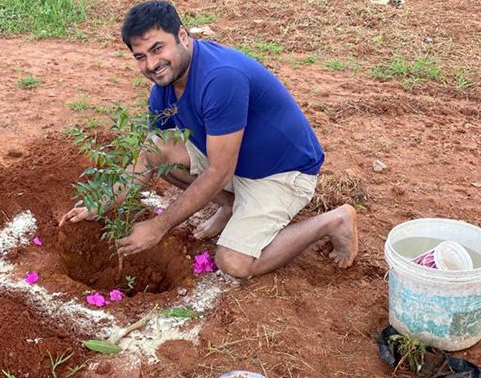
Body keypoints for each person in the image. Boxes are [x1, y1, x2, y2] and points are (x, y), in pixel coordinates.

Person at [59, 1, 358, 279]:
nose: (151, 64)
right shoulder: (163, 89)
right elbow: (145, 159)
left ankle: (334, 221)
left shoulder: (220, 78)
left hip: (280, 173)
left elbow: (219, 171)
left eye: (157, 49)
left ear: (182, 36)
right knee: (157, 149)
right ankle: (230, 205)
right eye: (140, 56)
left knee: (234, 262)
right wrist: (102, 202)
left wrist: (159, 226)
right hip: (235, 161)